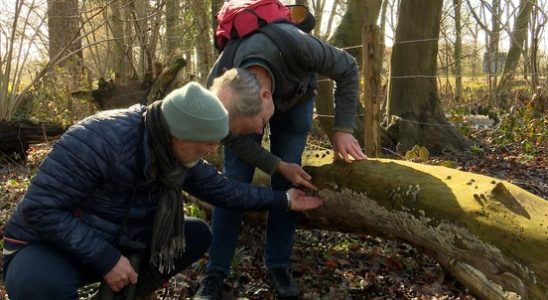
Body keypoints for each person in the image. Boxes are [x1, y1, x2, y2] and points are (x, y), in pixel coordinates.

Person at [1, 82, 323, 300]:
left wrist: (284, 200)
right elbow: (41, 210)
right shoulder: (99, 139)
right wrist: (106, 258)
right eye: (206, 144)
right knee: (37, 285)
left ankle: (120, 295)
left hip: (114, 237)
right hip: (45, 246)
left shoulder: (172, 152)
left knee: (195, 234)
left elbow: (224, 190)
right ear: (181, 135)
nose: (210, 151)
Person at [193, 11, 366, 300]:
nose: (260, 132)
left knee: (288, 185)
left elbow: (348, 67)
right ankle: (215, 270)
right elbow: (230, 134)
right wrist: (274, 164)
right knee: (233, 183)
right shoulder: (221, 82)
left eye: (258, 126)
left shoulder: (301, 45)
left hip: (297, 97)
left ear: (265, 97)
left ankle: (278, 265)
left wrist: (343, 128)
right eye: (254, 129)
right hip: (247, 107)